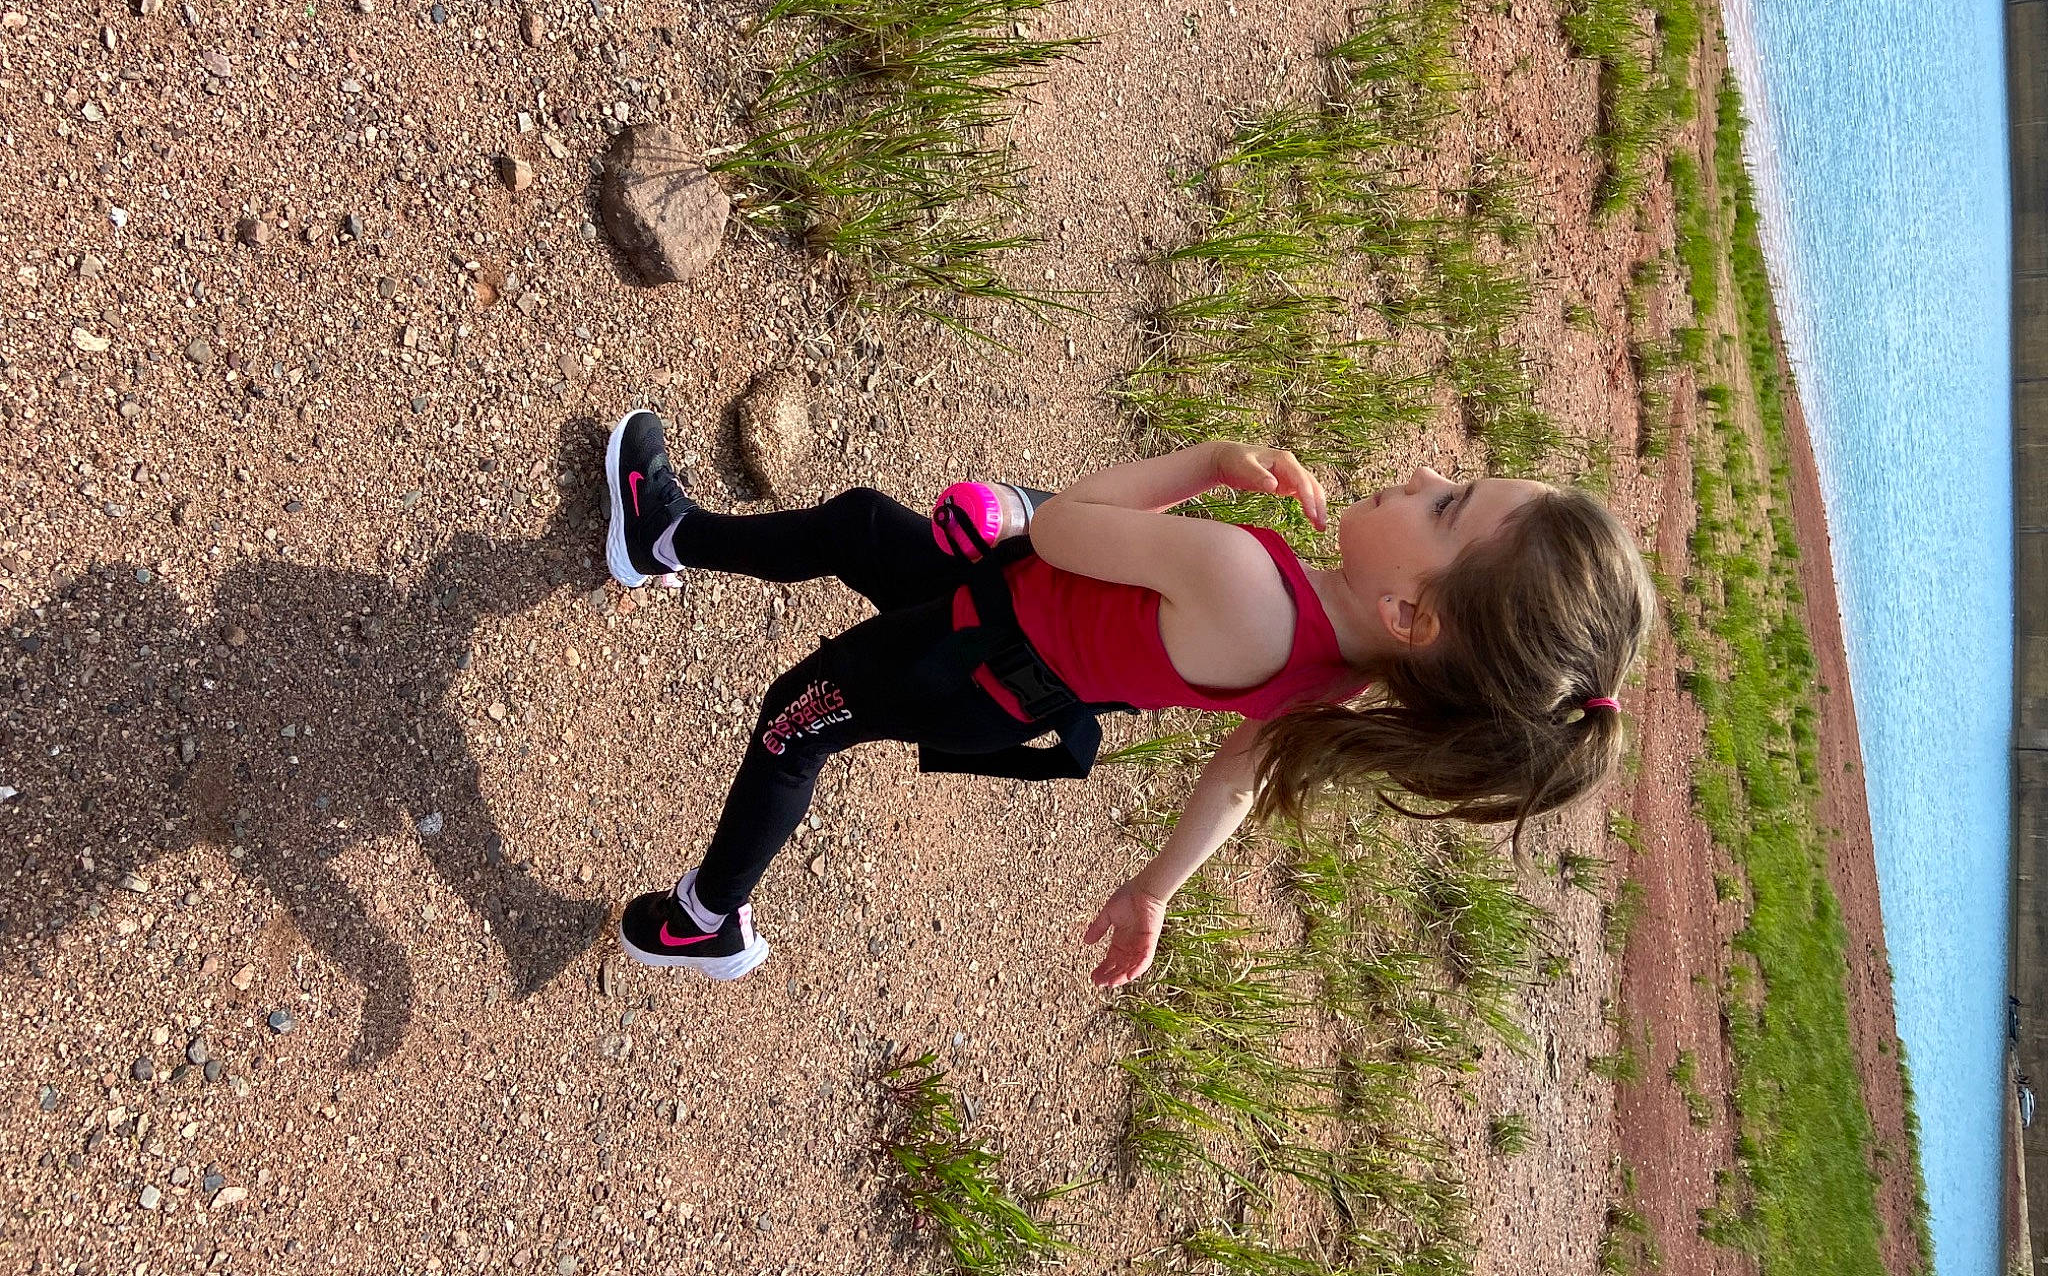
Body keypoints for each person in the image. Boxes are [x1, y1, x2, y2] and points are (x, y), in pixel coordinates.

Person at [601, 409, 1655, 986]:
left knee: (796, 726)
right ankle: (665, 535)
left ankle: (705, 919)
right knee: (856, 527)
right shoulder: (1342, 671)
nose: (1425, 472)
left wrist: (1200, 461)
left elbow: (1063, 527)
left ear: (1410, 613)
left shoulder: (1245, 581)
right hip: (1007, 639)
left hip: (973, 655)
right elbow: (1243, 772)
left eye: (1447, 504)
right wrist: (1156, 887)